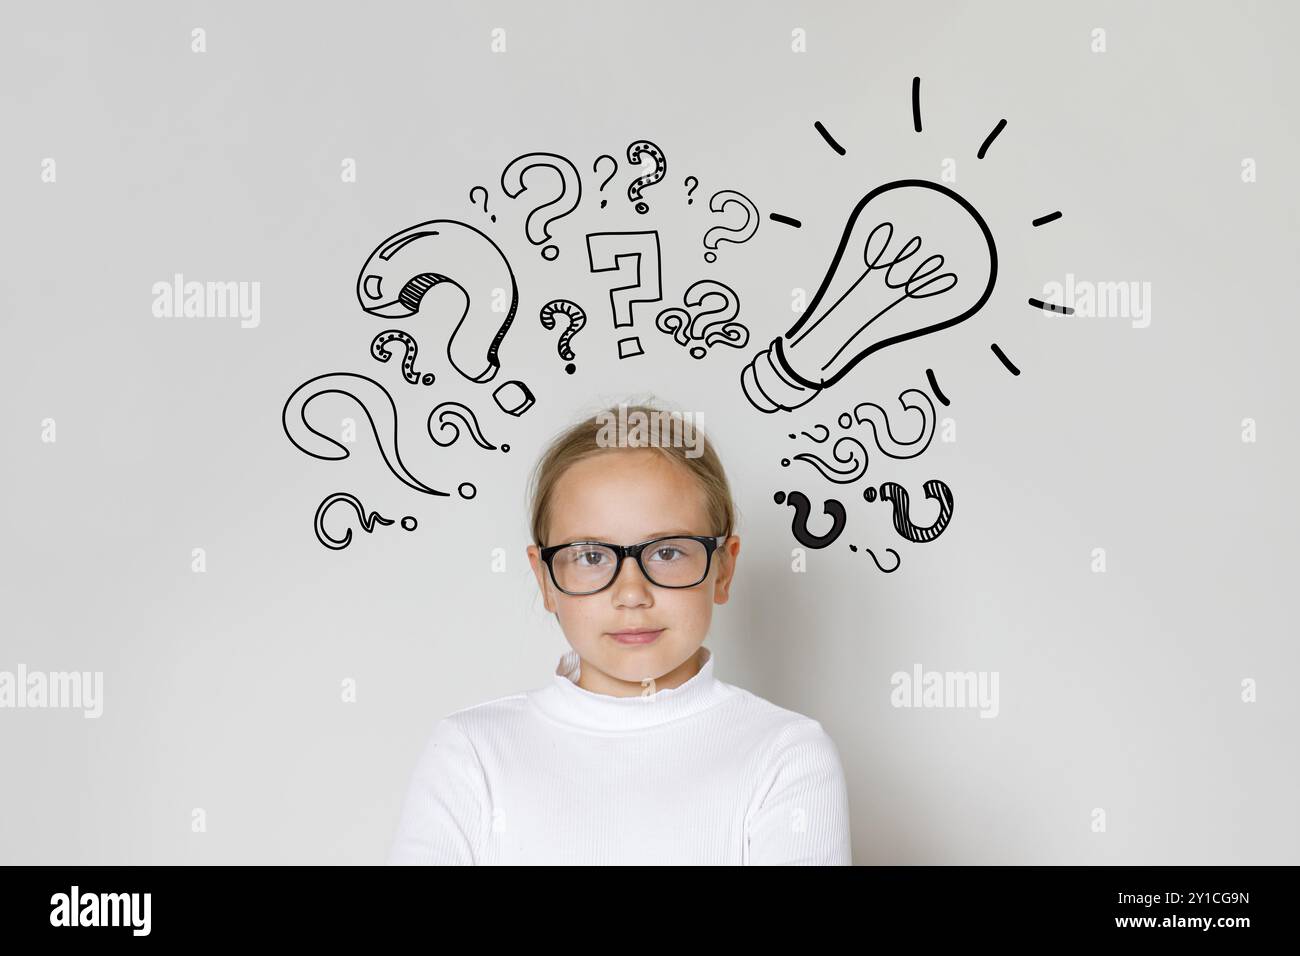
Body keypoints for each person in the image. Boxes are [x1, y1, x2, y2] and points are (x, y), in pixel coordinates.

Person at [387, 400, 853, 864]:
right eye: (591, 556)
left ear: (723, 569)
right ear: (545, 580)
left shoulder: (786, 755)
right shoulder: (471, 752)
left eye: (667, 552)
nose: (632, 593)